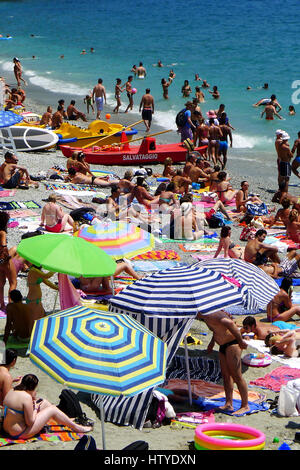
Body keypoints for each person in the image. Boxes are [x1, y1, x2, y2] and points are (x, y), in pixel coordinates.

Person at [2, 374, 92, 439]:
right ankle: (77, 427)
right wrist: (35, 408)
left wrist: (35, 405)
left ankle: (65, 420)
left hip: (7, 429)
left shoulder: (11, 391)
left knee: (44, 403)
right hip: (21, 433)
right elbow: (30, 422)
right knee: (52, 409)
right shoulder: (26, 397)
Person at [197, 310, 249, 415]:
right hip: (222, 345)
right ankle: (228, 403)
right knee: (226, 376)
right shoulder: (206, 317)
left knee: (236, 376)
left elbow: (230, 323)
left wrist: (240, 341)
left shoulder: (212, 314)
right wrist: (211, 343)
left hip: (232, 343)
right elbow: (216, 330)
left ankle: (245, 405)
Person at [0, 211, 17, 310]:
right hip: (4, 261)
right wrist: (7, 255)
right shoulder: (2, 232)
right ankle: (10, 306)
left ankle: (2, 305)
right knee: (13, 282)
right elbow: (4, 245)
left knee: (1, 284)